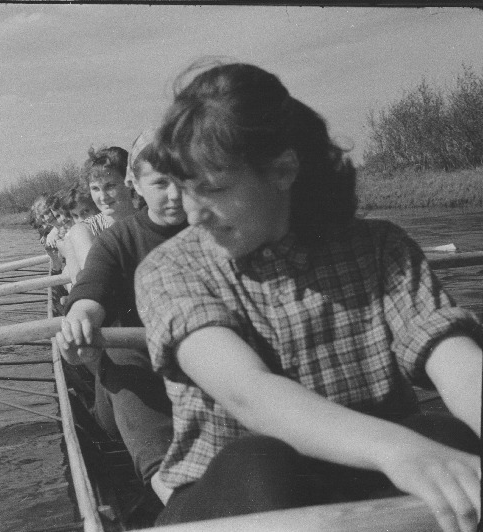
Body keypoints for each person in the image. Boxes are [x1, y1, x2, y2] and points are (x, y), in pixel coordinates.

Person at [134, 62, 482, 531]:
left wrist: (419, 450)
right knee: (262, 463)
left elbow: (458, 365)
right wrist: (398, 450)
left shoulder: (381, 248)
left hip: (367, 482)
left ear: (283, 170)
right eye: (183, 190)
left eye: (212, 190)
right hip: (236, 499)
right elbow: (251, 395)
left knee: (444, 433)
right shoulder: (169, 267)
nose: (192, 215)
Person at [56, 130, 188, 508]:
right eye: (161, 183)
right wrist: (79, 315)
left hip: (200, 364)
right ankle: (173, 492)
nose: (175, 195)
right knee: (121, 357)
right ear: (137, 184)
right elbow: (90, 289)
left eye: (184, 181)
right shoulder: (115, 240)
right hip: (133, 373)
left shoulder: (214, 228)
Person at [65, 146, 137, 284]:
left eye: (110, 186)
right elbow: (99, 280)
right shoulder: (83, 230)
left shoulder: (150, 219)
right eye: (95, 189)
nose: (103, 197)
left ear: (129, 183)